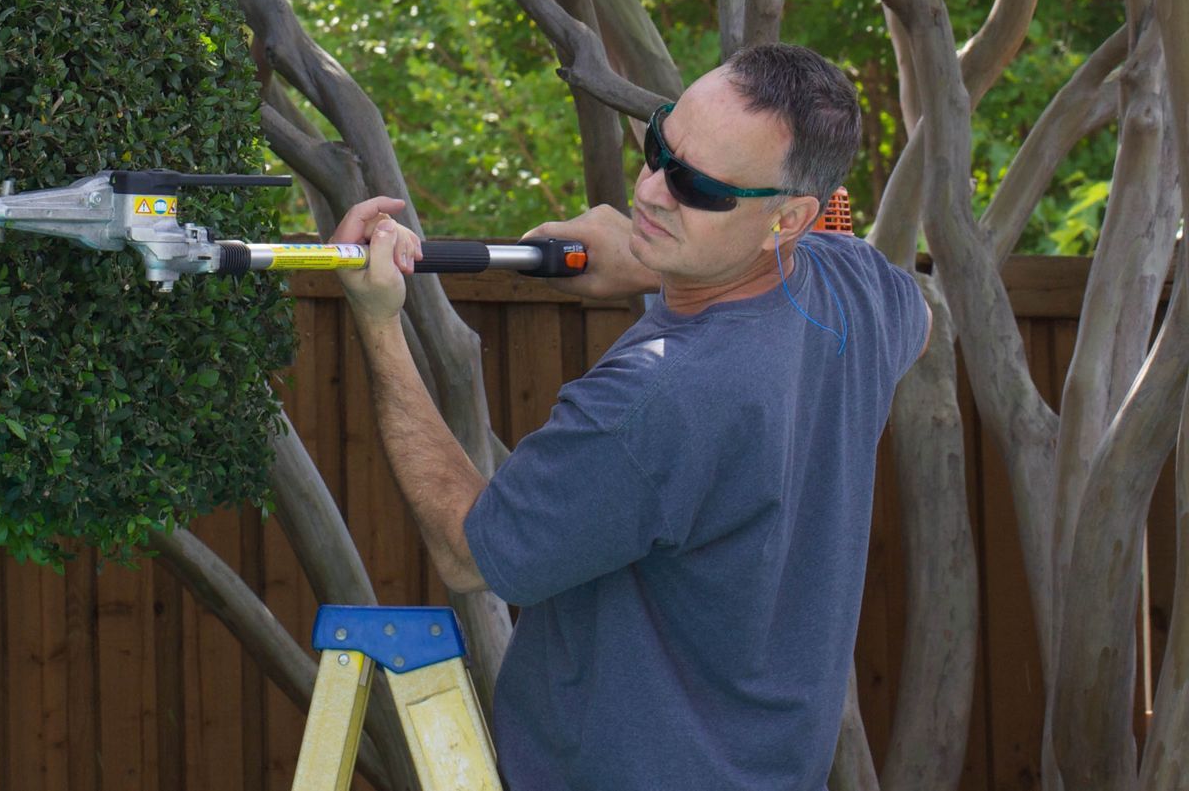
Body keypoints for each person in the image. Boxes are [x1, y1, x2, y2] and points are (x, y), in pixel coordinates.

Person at [332, 42, 930, 790]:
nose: (651, 191)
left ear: (790, 217)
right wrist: (656, 262)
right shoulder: (859, 292)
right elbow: (920, 311)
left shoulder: (656, 399)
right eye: (659, 147)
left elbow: (466, 550)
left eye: (700, 189)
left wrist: (381, 325)